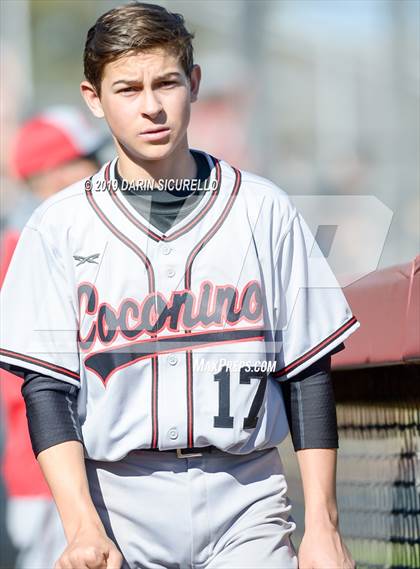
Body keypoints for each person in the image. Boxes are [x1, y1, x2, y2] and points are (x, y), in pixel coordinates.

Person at [0, 3, 360, 568]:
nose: (150, 106)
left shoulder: (262, 209)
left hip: (247, 492)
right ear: (93, 98)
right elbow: (47, 390)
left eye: (166, 82)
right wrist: (80, 527)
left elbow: (307, 372)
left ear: (193, 83)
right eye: (127, 88)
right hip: (118, 495)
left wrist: (323, 524)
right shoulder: (58, 225)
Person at [0, 106, 104, 569]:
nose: (101, 168)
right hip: (47, 472)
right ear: (50, 175)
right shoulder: (21, 251)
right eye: (87, 158)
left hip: (92, 465)